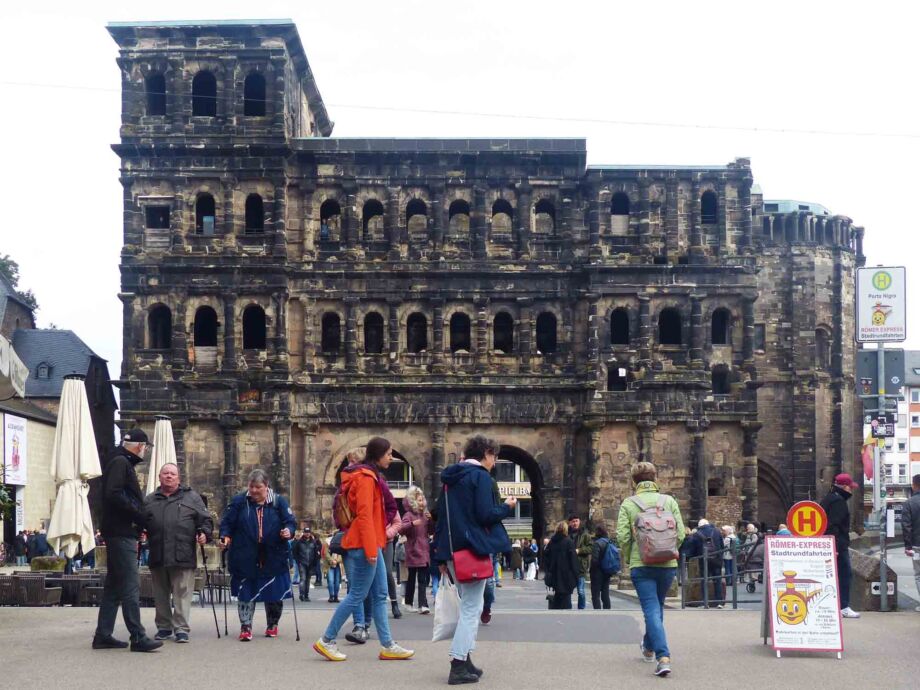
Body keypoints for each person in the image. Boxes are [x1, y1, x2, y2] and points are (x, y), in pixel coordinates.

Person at [314, 437, 414, 662]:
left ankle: (388, 644)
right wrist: (371, 549)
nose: (391, 457)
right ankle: (327, 640)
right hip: (365, 543)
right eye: (389, 453)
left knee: (378, 594)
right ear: (378, 455)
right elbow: (365, 516)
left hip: (370, 542)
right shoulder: (367, 479)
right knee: (358, 594)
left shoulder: (366, 476)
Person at [433, 435, 515, 685]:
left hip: (452, 550)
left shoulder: (451, 478)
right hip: (472, 549)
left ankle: (465, 659)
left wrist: (440, 553)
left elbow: (439, 515)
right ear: (487, 453)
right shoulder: (480, 477)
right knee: (471, 608)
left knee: (471, 605)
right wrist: (507, 507)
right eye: (495, 456)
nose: (495, 461)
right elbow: (485, 514)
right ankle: (458, 663)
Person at [92, 428, 162, 652]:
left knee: (114, 586)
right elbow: (114, 494)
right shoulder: (121, 462)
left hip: (119, 530)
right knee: (131, 585)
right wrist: (139, 514)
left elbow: (114, 493)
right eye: (144, 447)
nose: (144, 451)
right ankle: (138, 636)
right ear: (140, 446)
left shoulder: (117, 460)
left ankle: (103, 634)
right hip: (121, 531)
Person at [617, 462, 685, 677]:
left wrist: (631, 558)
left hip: (642, 565)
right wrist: (668, 551)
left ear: (634, 481)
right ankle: (648, 646)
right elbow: (681, 534)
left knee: (651, 610)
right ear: (655, 478)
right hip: (667, 566)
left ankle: (663, 656)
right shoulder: (669, 501)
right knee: (656, 609)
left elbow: (623, 537)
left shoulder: (629, 504)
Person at [219, 468, 297, 641]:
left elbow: (290, 522)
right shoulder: (239, 501)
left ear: (266, 486)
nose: (253, 490)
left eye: (258, 487)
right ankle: (246, 626)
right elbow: (227, 523)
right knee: (245, 591)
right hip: (245, 554)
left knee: (274, 592)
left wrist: (288, 531)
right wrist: (225, 537)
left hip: (273, 555)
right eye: (251, 486)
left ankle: (272, 624)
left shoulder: (279, 502)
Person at [143, 462, 212, 643]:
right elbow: (140, 522)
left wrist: (205, 533)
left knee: (182, 592)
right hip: (158, 552)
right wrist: (139, 533)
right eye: (165, 473)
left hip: (183, 552)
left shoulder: (192, 497)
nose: (169, 476)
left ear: (178, 478)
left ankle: (181, 628)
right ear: (159, 477)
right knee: (160, 593)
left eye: (172, 474)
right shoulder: (149, 500)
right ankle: (164, 627)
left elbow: (205, 520)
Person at [819, 472, 860, 619]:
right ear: (844, 487)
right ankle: (843, 606)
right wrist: (834, 547)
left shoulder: (828, 499)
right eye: (850, 488)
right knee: (845, 574)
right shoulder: (838, 502)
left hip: (828, 544)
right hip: (838, 546)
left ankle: (834, 605)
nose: (851, 490)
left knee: (833, 576)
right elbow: (833, 526)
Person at [400, 484, 432, 614]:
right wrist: (412, 524)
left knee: (423, 579)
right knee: (412, 578)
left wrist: (432, 521)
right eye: (419, 500)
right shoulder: (408, 515)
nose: (422, 502)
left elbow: (430, 531)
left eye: (422, 499)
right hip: (413, 550)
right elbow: (401, 528)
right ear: (413, 501)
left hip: (424, 550)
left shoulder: (425, 515)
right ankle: (408, 602)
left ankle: (423, 604)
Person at [544, 521, 579, 610]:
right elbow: (573, 561)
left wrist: (549, 570)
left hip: (554, 575)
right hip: (566, 576)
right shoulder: (569, 542)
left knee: (557, 597)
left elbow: (546, 557)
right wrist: (576, 575)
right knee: (566, 600)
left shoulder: (552, 542)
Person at [690, 518, 725, 608]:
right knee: (717, 580)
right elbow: (722, 546)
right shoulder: (717, 531)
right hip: (716, 559)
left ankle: (705, 603)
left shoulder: (696, 534)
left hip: (704, 560)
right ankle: (719, 602)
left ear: (699, 526)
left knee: (704, 580)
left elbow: (694, 550)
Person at [901, 474, 920, 612]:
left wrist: (908, 546)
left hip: (917, 546)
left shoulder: (909, 503)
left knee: (919, 575)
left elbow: (906, 525)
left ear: (914, 485)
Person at [567, 515, 592, 610]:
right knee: (568, 590)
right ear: (569, 523)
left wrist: (580, 550)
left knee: (581, 591)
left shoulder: (585, 534)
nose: (575, 523)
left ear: (579, 521)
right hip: (569, 566)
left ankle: (581, 608)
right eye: (573, 521)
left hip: (580, 566)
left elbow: (590, 548)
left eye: (576, 521)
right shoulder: (567, 534)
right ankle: (567, 607)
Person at [590, 525, 615, 609]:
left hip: (597, 572)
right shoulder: (609, 541)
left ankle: (597, 611)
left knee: (595, 594)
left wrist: (592, 571)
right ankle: (607, 610)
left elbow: (594, 560)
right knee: (605, 593)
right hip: (607, 571)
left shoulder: (597, 543)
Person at [292, 529, 317, 601]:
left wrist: (315, 563)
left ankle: (306, 595)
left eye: (308, 532)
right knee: (303, 578)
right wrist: (298, 561)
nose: (307, 534)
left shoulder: (313, 542)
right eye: (306, 532)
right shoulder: (299, 542)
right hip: (302, 563)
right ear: (304, 533)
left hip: (310, 563)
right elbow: (294, 552)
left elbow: (315, 553)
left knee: (308, 580)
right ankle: (301, 594)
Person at [721, 525, 737, 592]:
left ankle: (729, 581)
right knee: (732, 568)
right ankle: (734, 580)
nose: (723, 532)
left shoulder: (727, 538)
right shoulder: (734, 537)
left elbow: (723, 545)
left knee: (727, 568)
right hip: (733, 555)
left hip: (727, 555)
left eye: (724, 531)